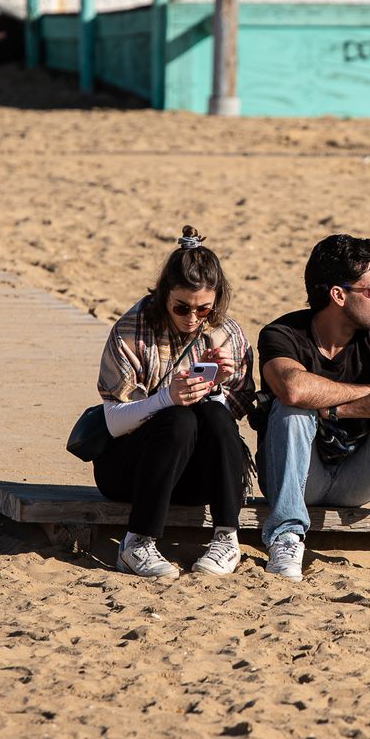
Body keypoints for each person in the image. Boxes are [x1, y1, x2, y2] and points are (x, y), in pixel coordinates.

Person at [257, 233, 370, 580]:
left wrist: (337, 409)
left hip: (358, 478)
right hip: (298, 476)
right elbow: (294, 389)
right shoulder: (282, 333)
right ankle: (286, 536)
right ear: (339, 295)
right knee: (292, 410)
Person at [93, 226, 255, 578]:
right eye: (182, 307)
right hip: (129, 469)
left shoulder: (227, 333)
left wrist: (217, 388)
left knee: (214, 414)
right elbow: (113, 422)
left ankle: (226, 538)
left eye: (204, 309)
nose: (192, 318)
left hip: (197, 475)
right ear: (163, 294)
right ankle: (136, 542)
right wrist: (167, 398)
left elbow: (232, 422)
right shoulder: (131, 331)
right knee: (179, 419)